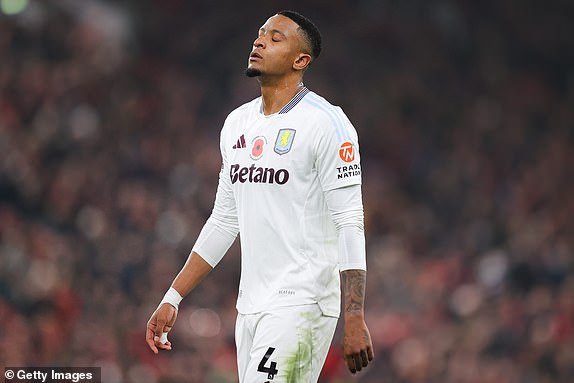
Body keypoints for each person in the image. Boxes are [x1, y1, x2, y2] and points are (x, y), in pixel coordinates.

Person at [146, 10, 374, 382]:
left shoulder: (327, 124)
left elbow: (349, 221)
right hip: (251, 307)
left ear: (301, 60)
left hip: (303, 302)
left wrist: (354, 317)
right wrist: (173, 296)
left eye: (275, 37)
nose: (259, 41)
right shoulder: (237, 123)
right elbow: (224, 219)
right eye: (260, 34)